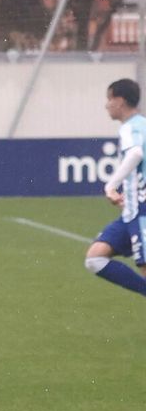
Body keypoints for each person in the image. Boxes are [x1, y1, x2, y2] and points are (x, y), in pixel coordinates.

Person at [84, 78, 146, 299]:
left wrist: (111, 186)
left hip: (142, 211)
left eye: (109, 99)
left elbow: (136, 153)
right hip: (131, 212)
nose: (106, 105)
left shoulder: (131, 127)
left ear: (119, 101)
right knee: (95, 258)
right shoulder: (141, 126)